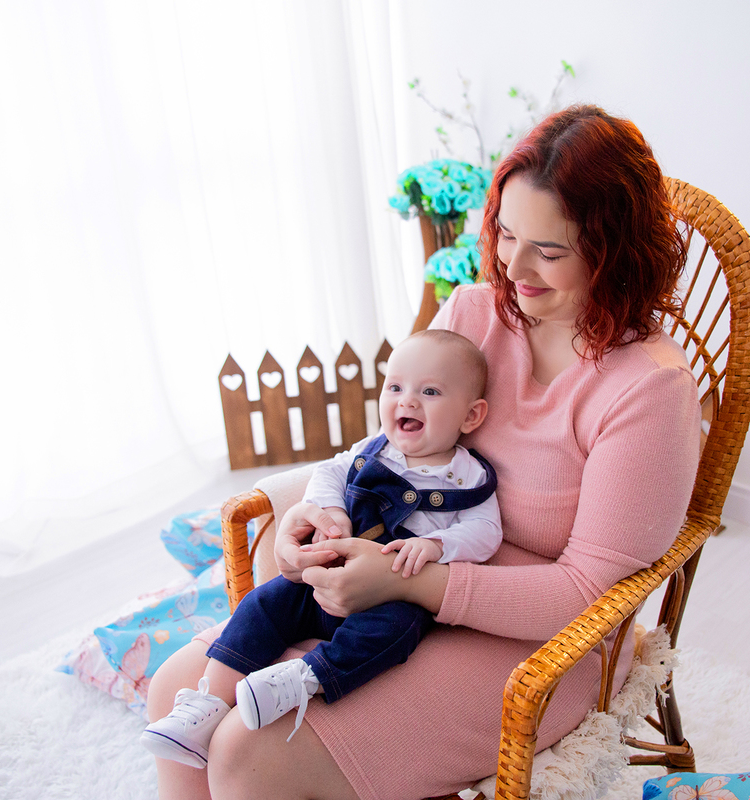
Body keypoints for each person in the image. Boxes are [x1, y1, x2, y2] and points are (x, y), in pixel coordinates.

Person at [146, 104, 701, 800]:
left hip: (545, 639)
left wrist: (409, 583)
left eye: (550, 252)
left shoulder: (649, 390)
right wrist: (317, 513)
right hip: (405, 572)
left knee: (248, 753)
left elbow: (588, 595)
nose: (514, 267)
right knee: (174, 688)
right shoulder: (473, 314)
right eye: (505, 232)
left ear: (616, 253)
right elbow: (394, 443)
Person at [141, 329, 503, 767]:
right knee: (264, 603)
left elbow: (486, 531)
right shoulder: (373, 450)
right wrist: (331, 513)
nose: (407, 401)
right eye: (395, 387)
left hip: (392, 591)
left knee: (398, 630)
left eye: (429, 391)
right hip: (327, 573)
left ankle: (306, 678)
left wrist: (436, 544)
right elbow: (328, 475)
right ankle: (204, 705)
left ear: (471, 415)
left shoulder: (465, 475)